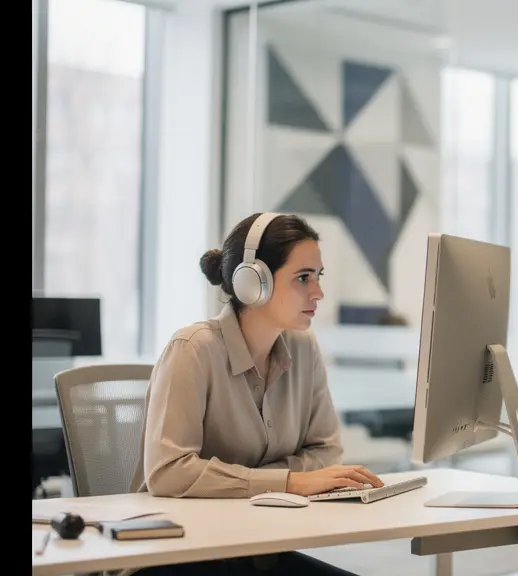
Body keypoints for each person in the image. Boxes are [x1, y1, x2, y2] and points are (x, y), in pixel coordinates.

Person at [128, 213, 382, 575]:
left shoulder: (304, 348)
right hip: (174, 553)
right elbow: (169, 472)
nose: (319, 292)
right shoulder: (193, 349)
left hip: (254, 548)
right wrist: (290, 481)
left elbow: (327, 452)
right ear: (253, 282)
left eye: (318, 277)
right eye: (303, 278)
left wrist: (255, 482)